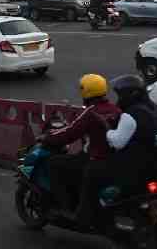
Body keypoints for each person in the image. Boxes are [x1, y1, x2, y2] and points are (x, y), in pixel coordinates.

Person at [36, 74, 121, 225]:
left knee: (54, 163)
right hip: (113, 160)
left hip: (93, 159)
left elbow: (70, 133)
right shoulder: (115, 109)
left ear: (86, 92)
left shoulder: (90, 112)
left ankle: (66, 206)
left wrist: (47, 137)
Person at [105, 75, 157, 195]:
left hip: (136, 167)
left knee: (95, 179)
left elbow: (117, 142)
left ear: (129, 95)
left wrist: (107, 131)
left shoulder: (131, 114)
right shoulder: (153, 109)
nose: (118, 99)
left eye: (120, 95)